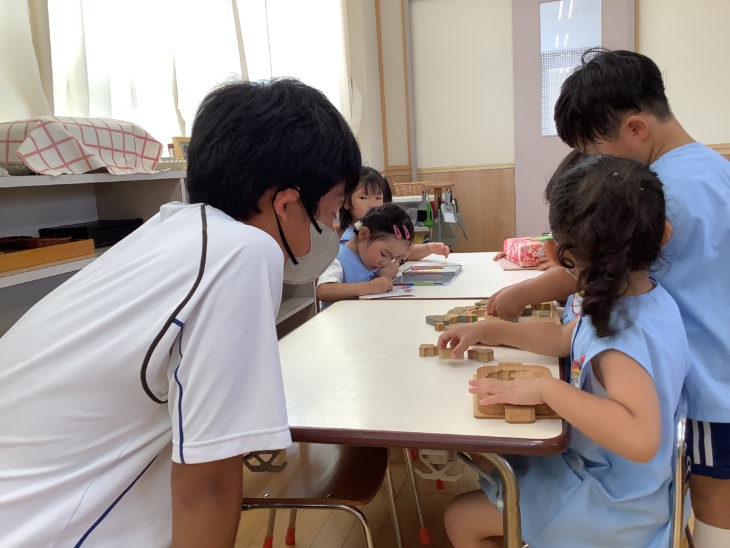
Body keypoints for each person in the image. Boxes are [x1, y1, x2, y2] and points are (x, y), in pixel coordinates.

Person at [0, 79, 361, 546]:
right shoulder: (244, 251)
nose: (333, 228)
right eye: (333, 211)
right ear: (288, 203)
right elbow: (207, 482)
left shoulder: (176, 225)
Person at [486, 49, 730, 546]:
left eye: (599, 154)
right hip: (701, 363)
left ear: (636, 128)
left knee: (713, 502)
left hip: (711, 382)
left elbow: (602, 264)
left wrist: (529, 288)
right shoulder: (712, 166)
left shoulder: (662, 193)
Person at [440, 155, 688, 547]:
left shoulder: (620, 337)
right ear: (664, 234)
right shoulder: (642, 299)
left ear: (562, 255)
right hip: (625, 483)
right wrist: (492, 329)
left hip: (616, 505)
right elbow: (564, 338)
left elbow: (641, 438)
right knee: (510, 469)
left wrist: (547, 390)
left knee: (460, 518)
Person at [338, 167, 450, 268]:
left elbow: (399, 251)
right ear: (346, 202)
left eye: (377, 198)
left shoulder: (381, 229)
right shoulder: (350, 240)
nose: (371, 204)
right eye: (363, 197)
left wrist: (429, 248)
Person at [317, 203, 415, 307]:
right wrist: (370, 287)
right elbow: (323, 291)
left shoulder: (369, 259)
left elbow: (388, 271)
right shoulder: (338, 259)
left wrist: (395, 261)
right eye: (383, 254)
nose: (384, 262)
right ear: (364, 235)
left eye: (391, 258)